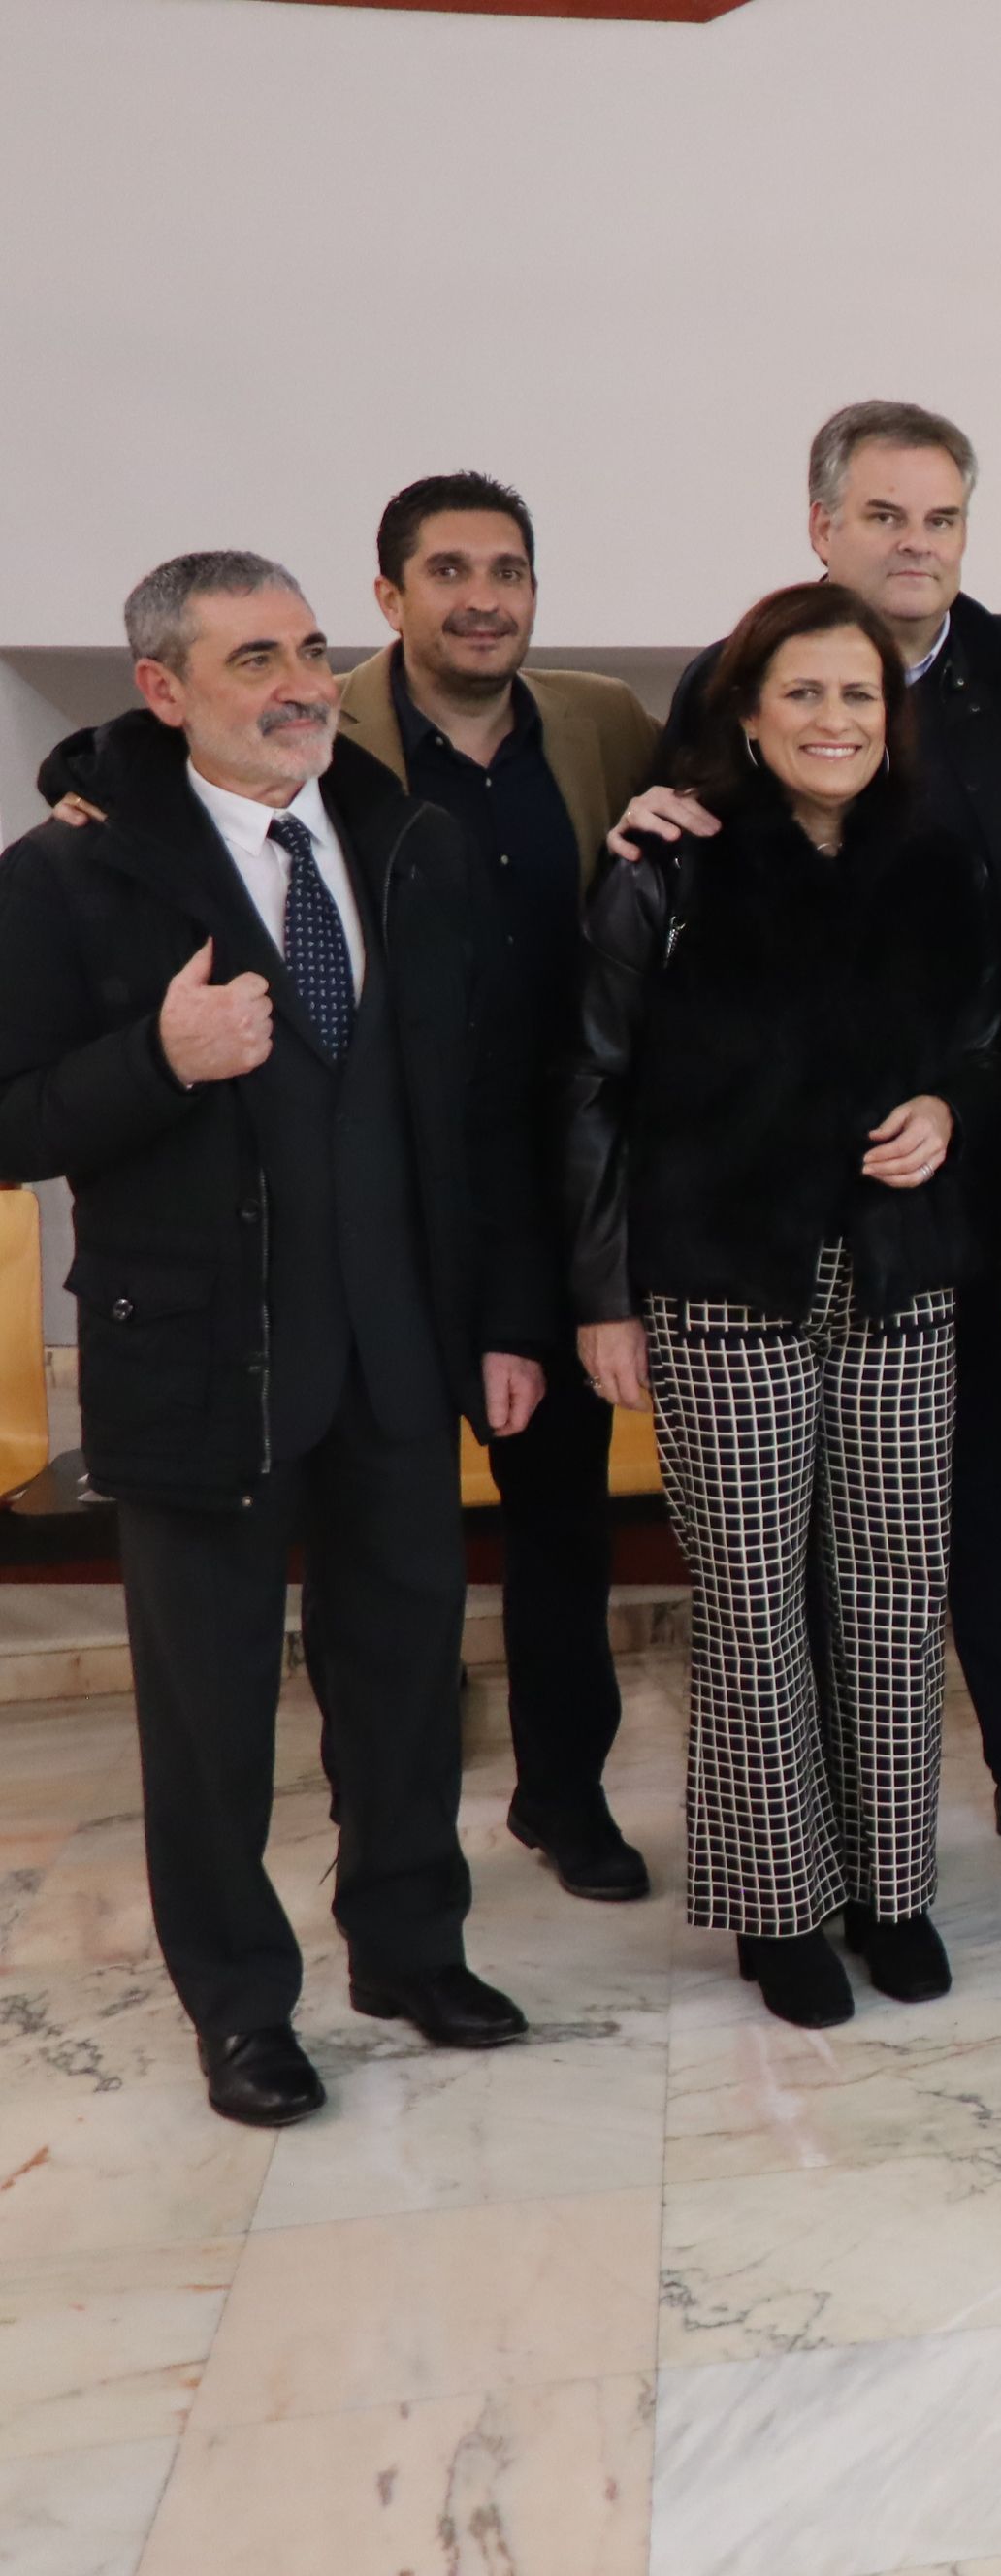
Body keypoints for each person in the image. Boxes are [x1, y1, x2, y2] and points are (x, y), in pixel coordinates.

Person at [0, 552, 550, 2125]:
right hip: (199, 1365)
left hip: (393, 1358)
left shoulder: (402, 845)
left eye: (308, 649)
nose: (300, 681)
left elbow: (470, 1114)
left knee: (404, 1681)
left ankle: (409, 1946)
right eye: (253, 659)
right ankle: (240, 2004)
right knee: (212, 1716)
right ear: (163, 691)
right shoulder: (68, 878)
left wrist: (498, 1324)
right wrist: (156, 1060)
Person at [617, 401, 1001, 1889]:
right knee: (802, 1556)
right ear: (822, 527)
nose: (916, 547)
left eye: (943, 519)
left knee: (982, 1508)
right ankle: (815, 1852)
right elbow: (657, 961)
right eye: (885, 518)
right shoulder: (745, 687)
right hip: (802, 1211)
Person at [570, 582, 988, 2030]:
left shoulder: (940, 864)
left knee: (890, 1593)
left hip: (893, 1278)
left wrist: (945, 1105)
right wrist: (604, 1297)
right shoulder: (667, 871)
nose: (833, 721)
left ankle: (893, 1886)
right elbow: (594, 1087)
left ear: (894, 718)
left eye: (859, 696)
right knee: (752, 1602)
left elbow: (983, 1047)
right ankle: (780, 1903)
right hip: (718, 1278)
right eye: (803, 694)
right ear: (746, 715)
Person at [339, 473, 666, 1902]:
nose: (485, 597)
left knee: (561, 1528)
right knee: (386, 1536)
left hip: (561, 1191)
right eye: (451, 569)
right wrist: (78, 779)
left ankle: (563, 1797)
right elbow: (158, 754)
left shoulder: (600, 723)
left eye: (510, 570)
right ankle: (383, 1820)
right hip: (394, 1194)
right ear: (390, 593)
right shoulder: (325, 723)